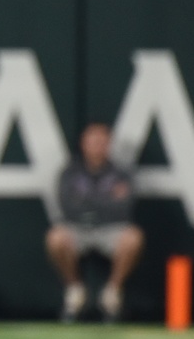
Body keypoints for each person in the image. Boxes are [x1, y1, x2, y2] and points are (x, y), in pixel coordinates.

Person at [48, 123, 143, 323]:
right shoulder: (71, 172)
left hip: (110, 228)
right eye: (93, 141)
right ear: (83, 144)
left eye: (102, 141)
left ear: (109, 144)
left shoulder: (120, 173)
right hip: (77, 228)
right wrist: (107, 199)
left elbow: (125, 208)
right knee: (55, 237)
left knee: (133, 237)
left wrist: (87, 201)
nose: (97, 146)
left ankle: (112, 293)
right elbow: (66, 207)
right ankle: (75, 290)